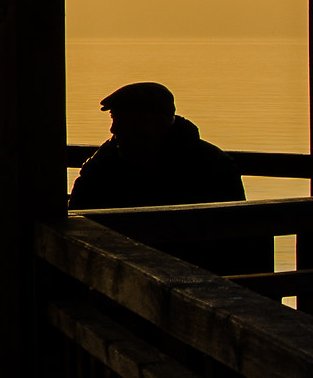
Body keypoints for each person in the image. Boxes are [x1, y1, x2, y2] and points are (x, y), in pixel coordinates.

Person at [66, 82, 274, 276]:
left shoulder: (211, 165)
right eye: (114, 119)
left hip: (193, 276)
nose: (114, 129)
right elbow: (78, 212)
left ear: (155, 123)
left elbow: (230, 238)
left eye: (124, 120)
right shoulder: (104, 162)